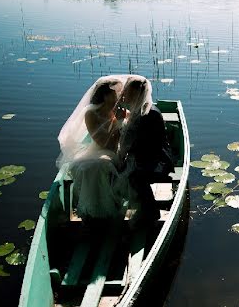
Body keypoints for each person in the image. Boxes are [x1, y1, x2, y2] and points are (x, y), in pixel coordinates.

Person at [56, 75, 131, 221]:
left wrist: (121, 120)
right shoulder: (91, 113)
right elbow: (103, 143)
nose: (120, 96)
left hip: (117, 151)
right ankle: (93, 211)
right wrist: (119, 123)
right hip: (99, 150)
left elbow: (119, 141)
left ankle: (106, 209)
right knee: (94, 166)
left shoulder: (121, 112)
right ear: (105, 95)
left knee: (100, 165)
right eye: (116, 93)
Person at [116, 75, 174, 226]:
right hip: (146, 154)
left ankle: (151, 212)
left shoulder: (149, 114)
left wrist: (124, 157)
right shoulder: (139, 109)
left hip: (157, 159)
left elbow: (145, 145)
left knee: (134, 175)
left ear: (136, 93)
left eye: (126, 92)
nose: (123, 95)